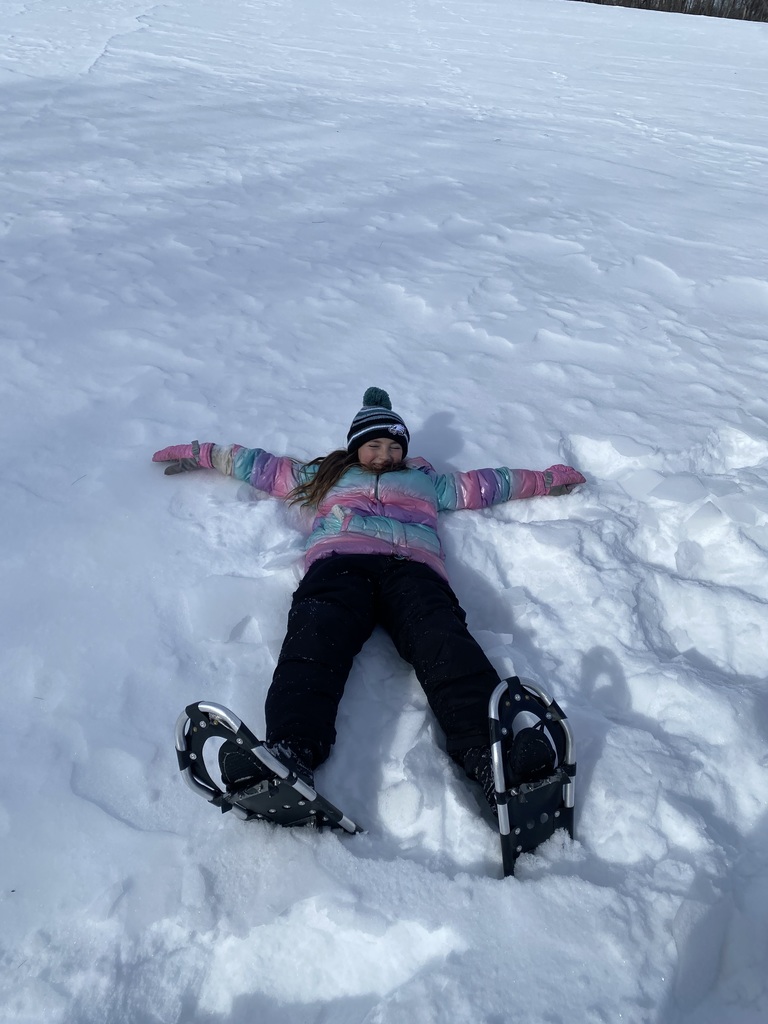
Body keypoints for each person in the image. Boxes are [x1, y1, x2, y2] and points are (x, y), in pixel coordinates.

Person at [153, 387, 585, 816]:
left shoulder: (427, 482)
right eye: (374, 445)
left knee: (445, 643)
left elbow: (489, 484)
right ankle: (289, 753)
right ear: (356, 447)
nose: (384, 455)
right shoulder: (325, 476)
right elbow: (260, 466)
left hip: (412, 570)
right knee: (315, 639)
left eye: (393, 446)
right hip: (341, 563)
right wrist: (202, 453)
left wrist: (545, 480)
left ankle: (496, 761)